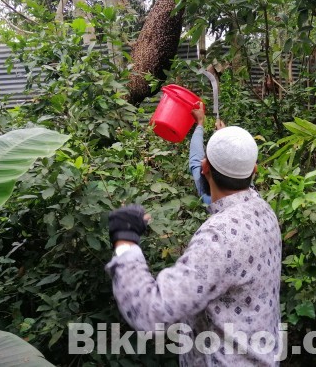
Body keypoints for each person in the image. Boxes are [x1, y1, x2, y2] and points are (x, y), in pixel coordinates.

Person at [106, 119, 282, 366]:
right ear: (254, 170)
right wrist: (230, 149)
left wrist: (125, 240)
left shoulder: (219, 238)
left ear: (205, 167)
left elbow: (151, 313)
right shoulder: (264, 212)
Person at [189, 102, 224, 205]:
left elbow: (195, 161)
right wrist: (223, 135)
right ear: (253, 170)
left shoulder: (210, 199)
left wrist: (200, 123)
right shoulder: (264, 208)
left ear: (205, 167)